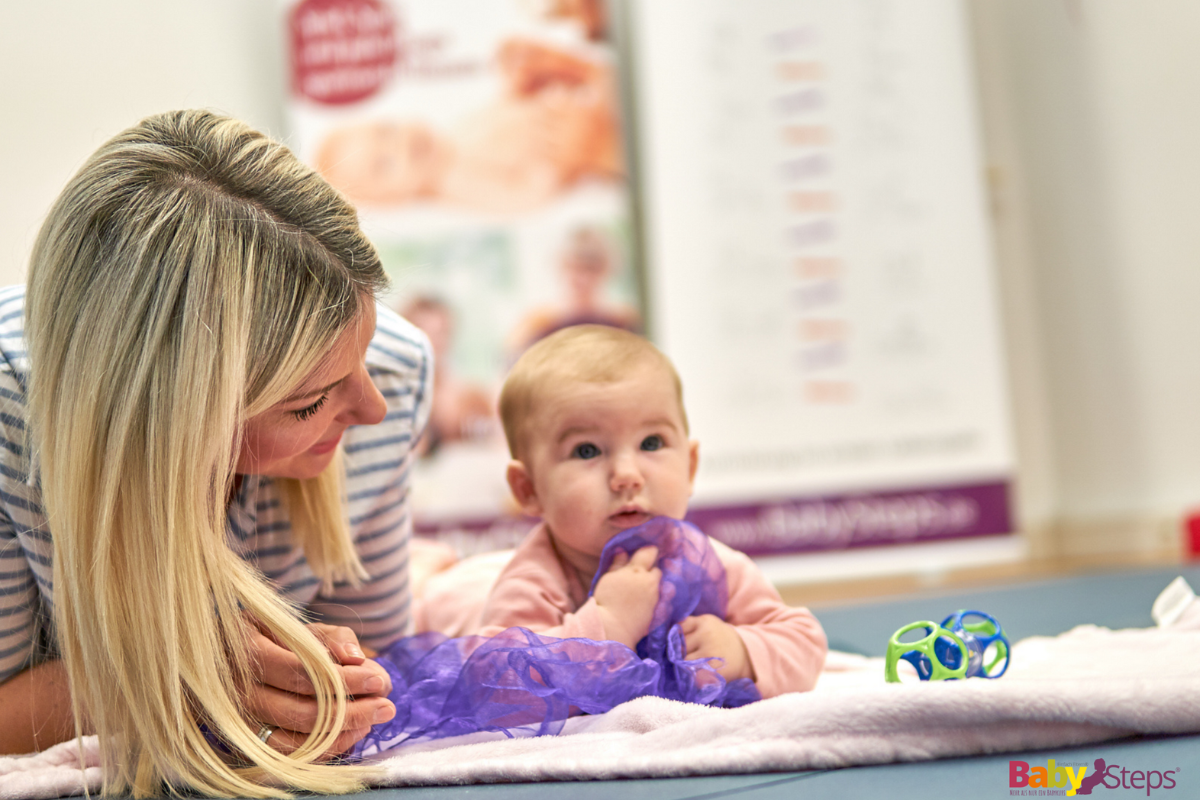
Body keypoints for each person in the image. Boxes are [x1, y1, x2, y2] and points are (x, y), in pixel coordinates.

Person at [0, 110, 432, 796]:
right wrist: (177, 674)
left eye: (365, 351)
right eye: (309, 402)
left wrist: (340, 685)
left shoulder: (399, 371)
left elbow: (380, 649)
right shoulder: (9, 415)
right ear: (168, 418)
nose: (372, 407)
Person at [480, 326, 827, 698]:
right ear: (529, 489)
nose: (627, 475)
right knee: (452, 590)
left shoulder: (709, 563)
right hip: (466, 593)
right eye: (586, 450)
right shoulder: (535, 581)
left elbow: (804, 642)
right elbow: (494, 686)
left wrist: (741, 650)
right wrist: (608, 624)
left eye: (651, 442)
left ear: (690, 467)